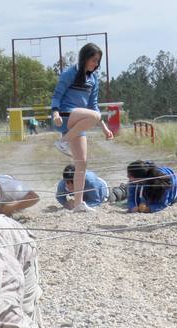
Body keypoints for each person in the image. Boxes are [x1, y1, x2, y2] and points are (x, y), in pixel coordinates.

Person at [51, 42, 114, 212]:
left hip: (79, 122)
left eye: (98, 61)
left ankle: (78, 203)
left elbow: (94, 106)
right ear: (84, 58)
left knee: (82, 163)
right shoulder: (70, 73)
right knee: (94, 116)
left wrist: (104, 128)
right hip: (64, 116)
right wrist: (55, 112)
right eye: (93, 60)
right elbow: (57, 95)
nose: (96, 64)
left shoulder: (93, 80)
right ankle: (63, 141)